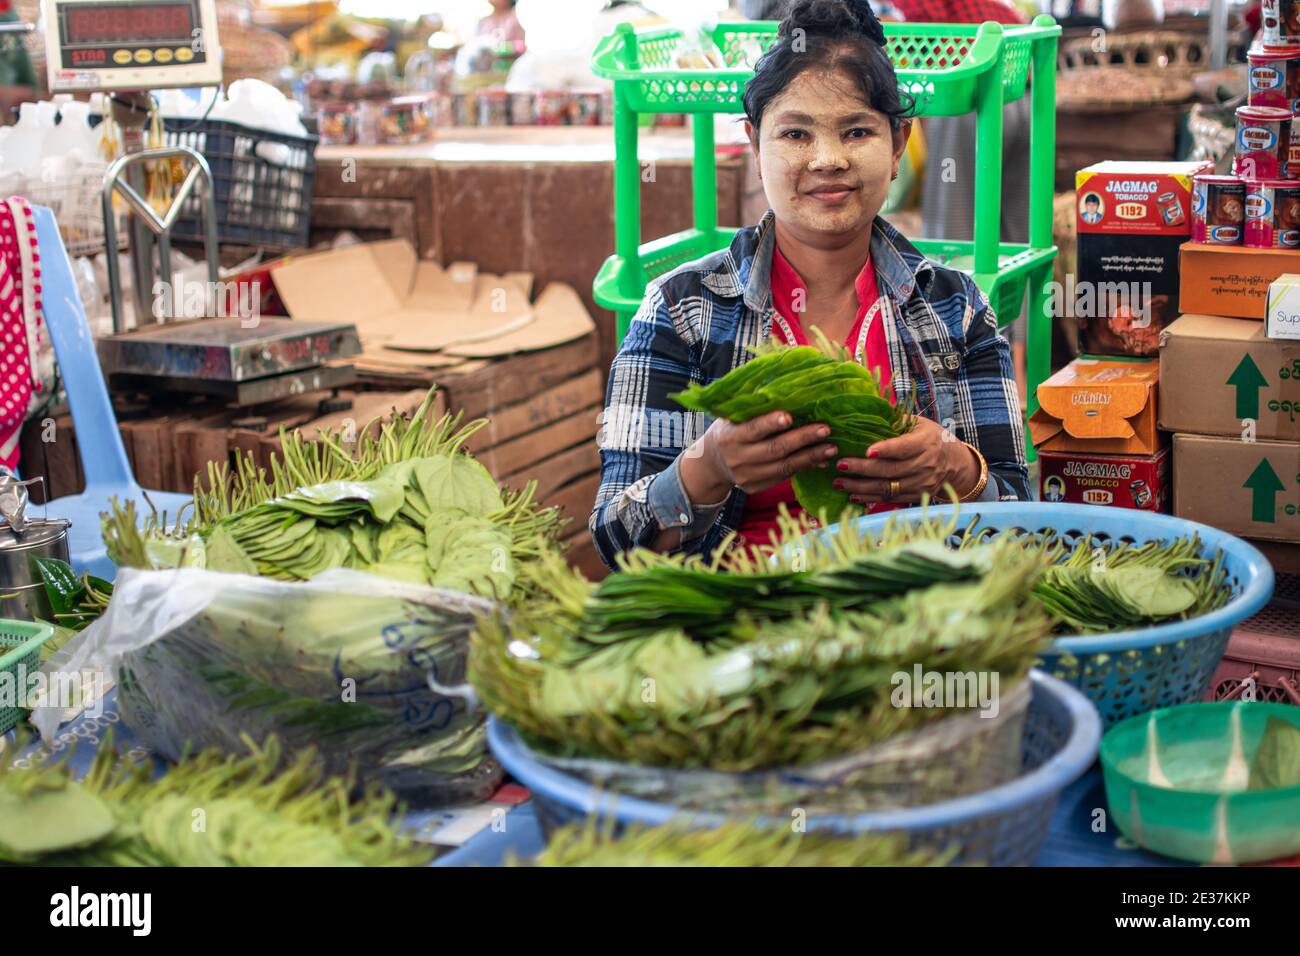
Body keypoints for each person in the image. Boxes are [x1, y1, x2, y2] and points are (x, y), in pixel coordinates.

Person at [590, 0, 1028, 568]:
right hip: (742, 620)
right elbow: (614, 537)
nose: (828, 160)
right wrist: (709, 467)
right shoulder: (682, 308)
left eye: (857, 131)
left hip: (914, 615)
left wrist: (957, 469)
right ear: (755, 145)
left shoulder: (954, 307)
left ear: (898, 146)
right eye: (795, 134)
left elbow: (1020, 520)